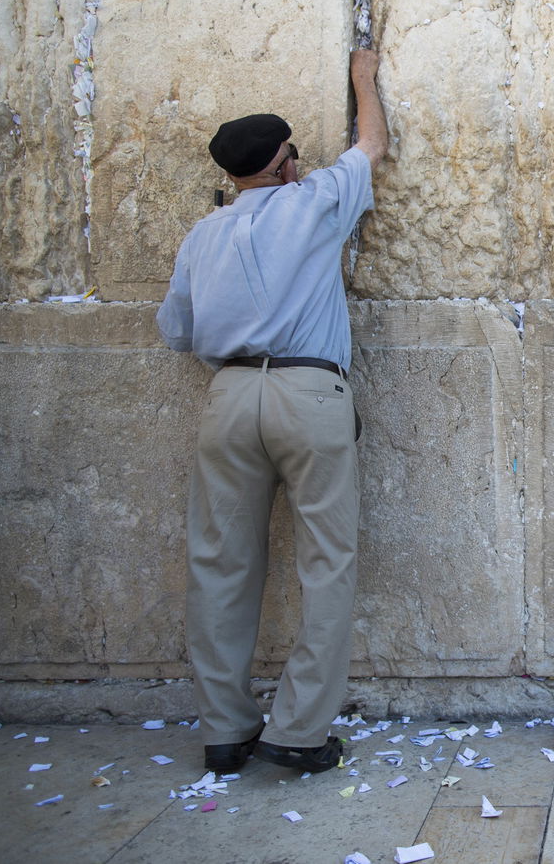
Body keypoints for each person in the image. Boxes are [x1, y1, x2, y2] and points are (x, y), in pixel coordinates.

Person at [156, 50, 389, 775]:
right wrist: (363, 79)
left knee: (219, 563)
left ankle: (226, 729)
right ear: (286, 163)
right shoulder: (315, 200)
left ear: (233, 174)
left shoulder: (202, 237)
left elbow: (178, 332)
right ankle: (296, 730)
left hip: (229, 398)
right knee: (327, 562)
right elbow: (371, 145)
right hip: (308, 392)